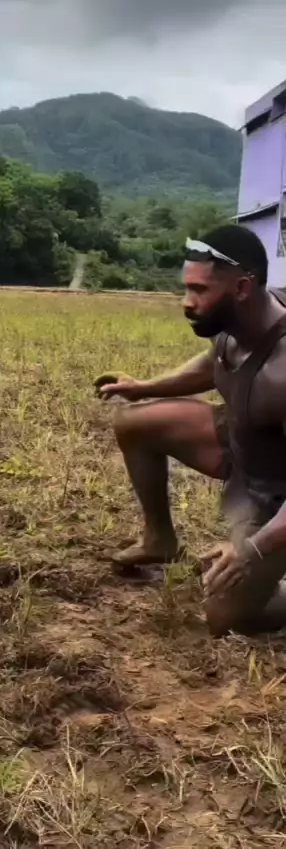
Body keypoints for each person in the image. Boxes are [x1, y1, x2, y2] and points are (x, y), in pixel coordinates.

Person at [94, 224, 286, 637]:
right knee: (135, 423)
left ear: (241, 288)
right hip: (247, 440)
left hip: (276, 495)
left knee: (227, 615)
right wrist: (143, 387)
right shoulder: (246, 316)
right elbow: (215, 361)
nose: (187, 302)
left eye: (199, 290)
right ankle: (159, 540)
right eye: (187, 288)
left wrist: (251, 550)